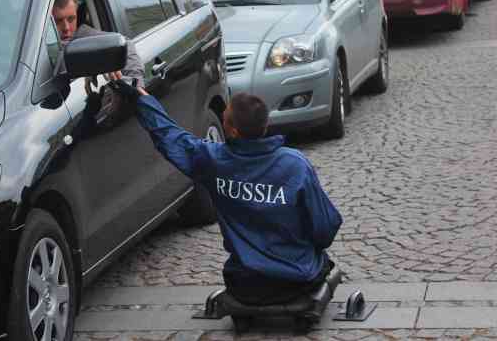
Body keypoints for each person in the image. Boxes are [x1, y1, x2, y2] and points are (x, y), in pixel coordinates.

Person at [118, 85, 342, 306]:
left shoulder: (214, 161)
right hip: (297, 280)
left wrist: (143, 99)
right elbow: (325, 226)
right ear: (265, 124)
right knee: (325, 263)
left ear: (233, 131)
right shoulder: (295, 165)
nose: (221, 121)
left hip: (245, 283)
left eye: (224, 119)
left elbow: (171, 137)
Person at [51, 0, 144, 85]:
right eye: (58, 21)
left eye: (71, 19)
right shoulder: (36, 47)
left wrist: (134, 84)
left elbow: (125, 44)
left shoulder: (84, 35)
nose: (66, 28)